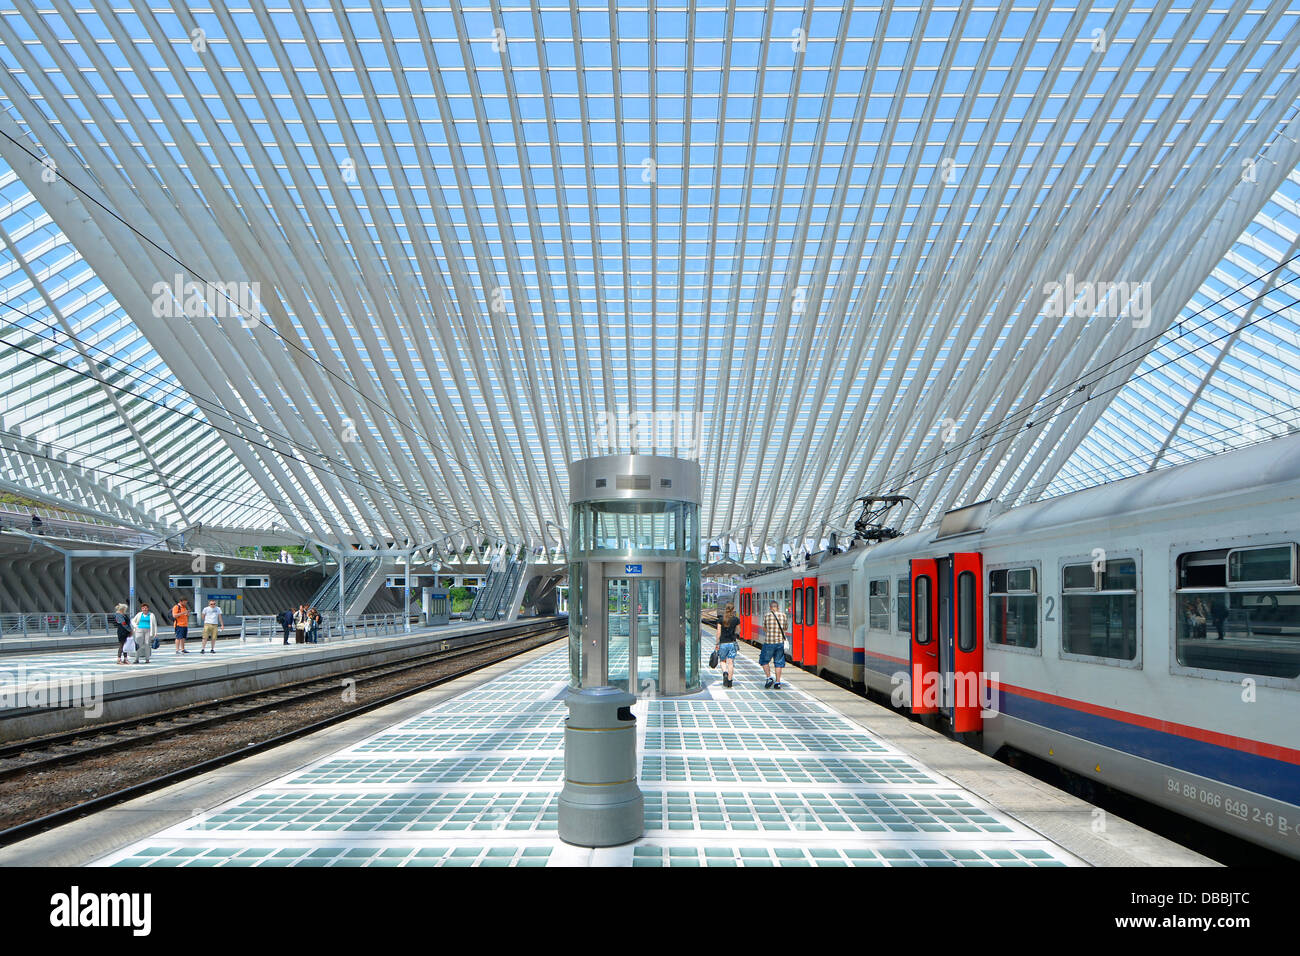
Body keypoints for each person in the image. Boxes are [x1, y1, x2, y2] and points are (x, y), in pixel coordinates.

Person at [761, 600, 789, 689]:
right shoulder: (783, 615)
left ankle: (769, 677)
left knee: (764, 661)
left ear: (770, 608)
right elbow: (785, 628)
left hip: (769, 642)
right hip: (780, 643)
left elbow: (764, 629)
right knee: (779, 662)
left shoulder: (767, 616)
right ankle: (778, 682)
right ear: (778, 607)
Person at [714, 602, 740, 688]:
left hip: (723, 643)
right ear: (733, 609)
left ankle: (725, 672)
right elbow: (738, 631)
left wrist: (717, 643)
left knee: (722, 660)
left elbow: (718, 633)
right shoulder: (736, 620)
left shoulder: (721, 620)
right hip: (732, 643)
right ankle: (730, 681)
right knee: (731, 662)